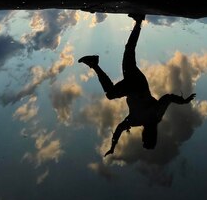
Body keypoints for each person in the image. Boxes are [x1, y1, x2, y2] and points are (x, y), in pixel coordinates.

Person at [78, 15, 195, 155]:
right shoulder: (155, 116)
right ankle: (138, 21)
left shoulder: (134, 121)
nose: (144, 136)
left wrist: (113, 147)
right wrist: (183, 101)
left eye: (144, 139)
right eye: (147, 138)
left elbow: (119, 129)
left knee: (126, 57)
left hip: (131, 86)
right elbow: (167, 98)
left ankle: (94, 63)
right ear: (151, 135)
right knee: (126, 58)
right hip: (138, 84)